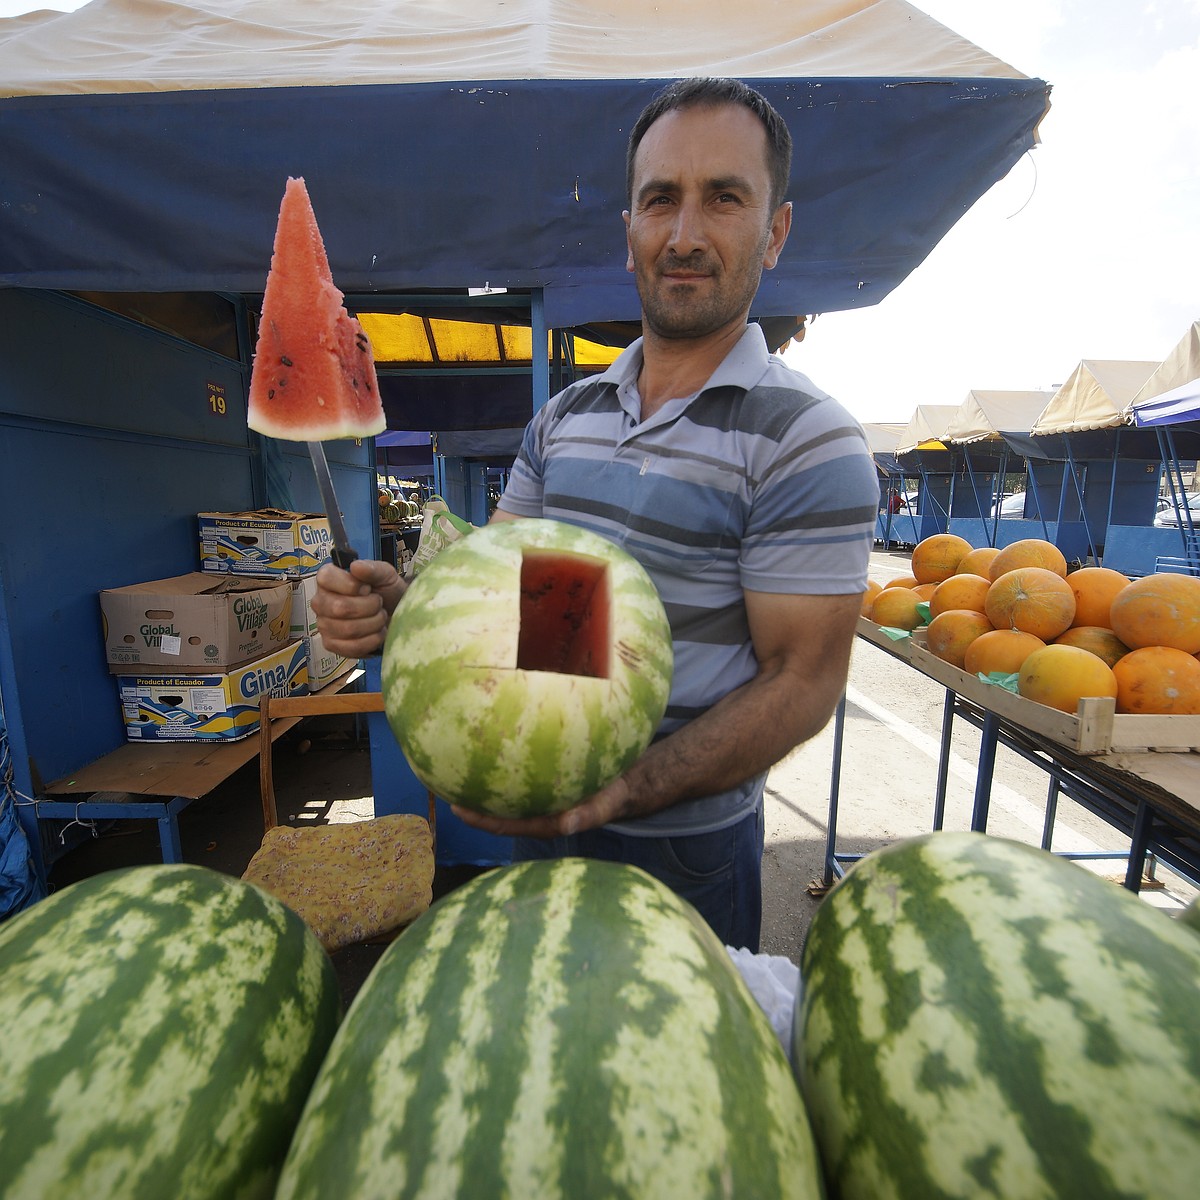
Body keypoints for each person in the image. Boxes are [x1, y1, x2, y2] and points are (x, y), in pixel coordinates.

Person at [312, 77, 879, 951]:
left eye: (723, 198)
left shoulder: (808, 440)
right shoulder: (565, 418)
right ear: (629, 233)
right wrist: (399, 608)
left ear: (776, 232)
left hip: (685, 852)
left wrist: (626, 789)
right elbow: (495, 599)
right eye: (661, 200)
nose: (685, 234)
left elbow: (802, 683)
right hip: (540, 825)